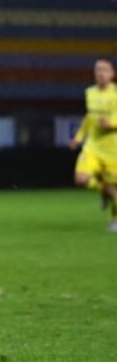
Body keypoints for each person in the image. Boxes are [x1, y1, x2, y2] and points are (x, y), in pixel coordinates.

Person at [70, 58, 117, 232]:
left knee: (115, 189)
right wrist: (78, 137)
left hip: (113, 149)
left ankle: (114, 219)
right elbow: (89, 118)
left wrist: (111, 123)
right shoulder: (90, 93)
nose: (101, 73)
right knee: (81, 179)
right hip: (93, 146)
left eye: (105, 69)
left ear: (112, 74)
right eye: (98, 69)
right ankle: (104, 190)